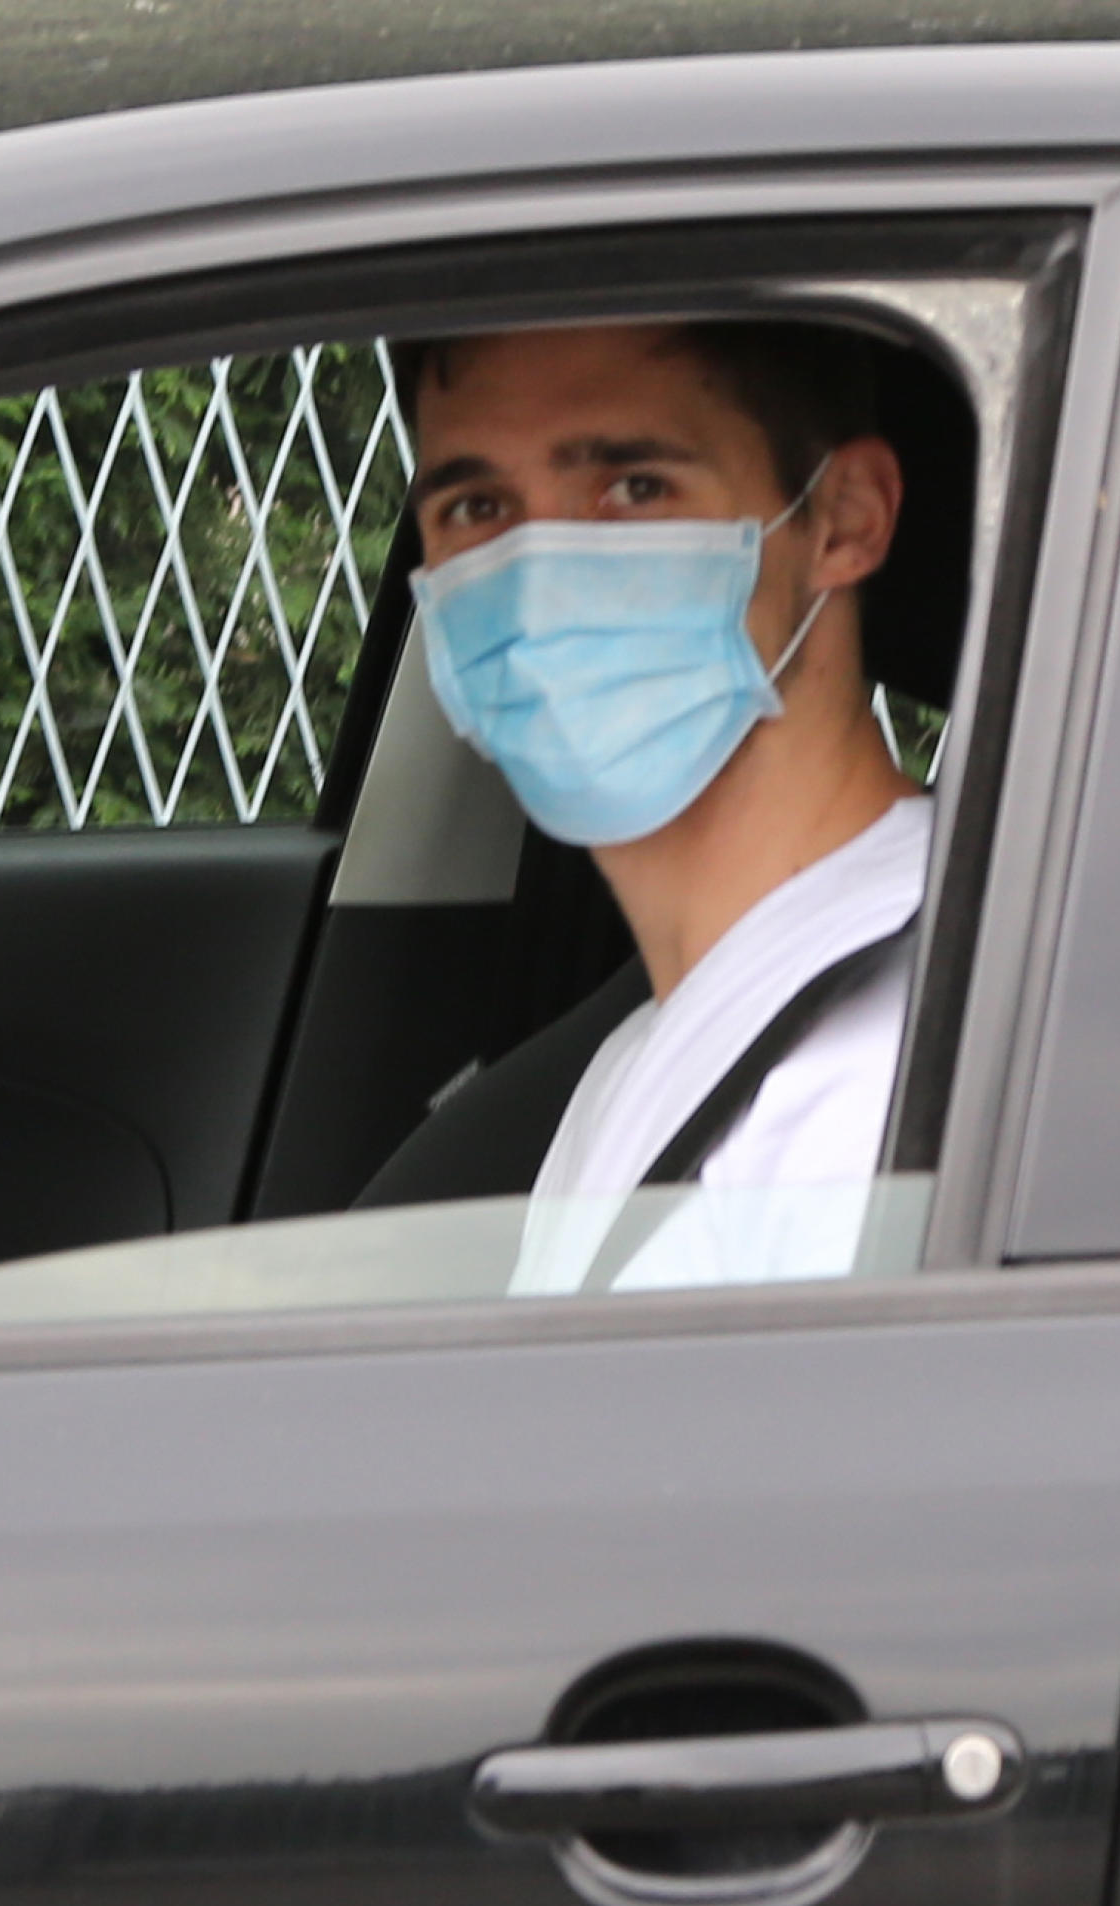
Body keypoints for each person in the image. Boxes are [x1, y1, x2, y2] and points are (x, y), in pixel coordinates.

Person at [396, 320, 925, 1293]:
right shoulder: (657, 1042)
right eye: (478, 506)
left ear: (846, 519)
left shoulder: (885, 1079)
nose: (539, 576)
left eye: (635, 489)